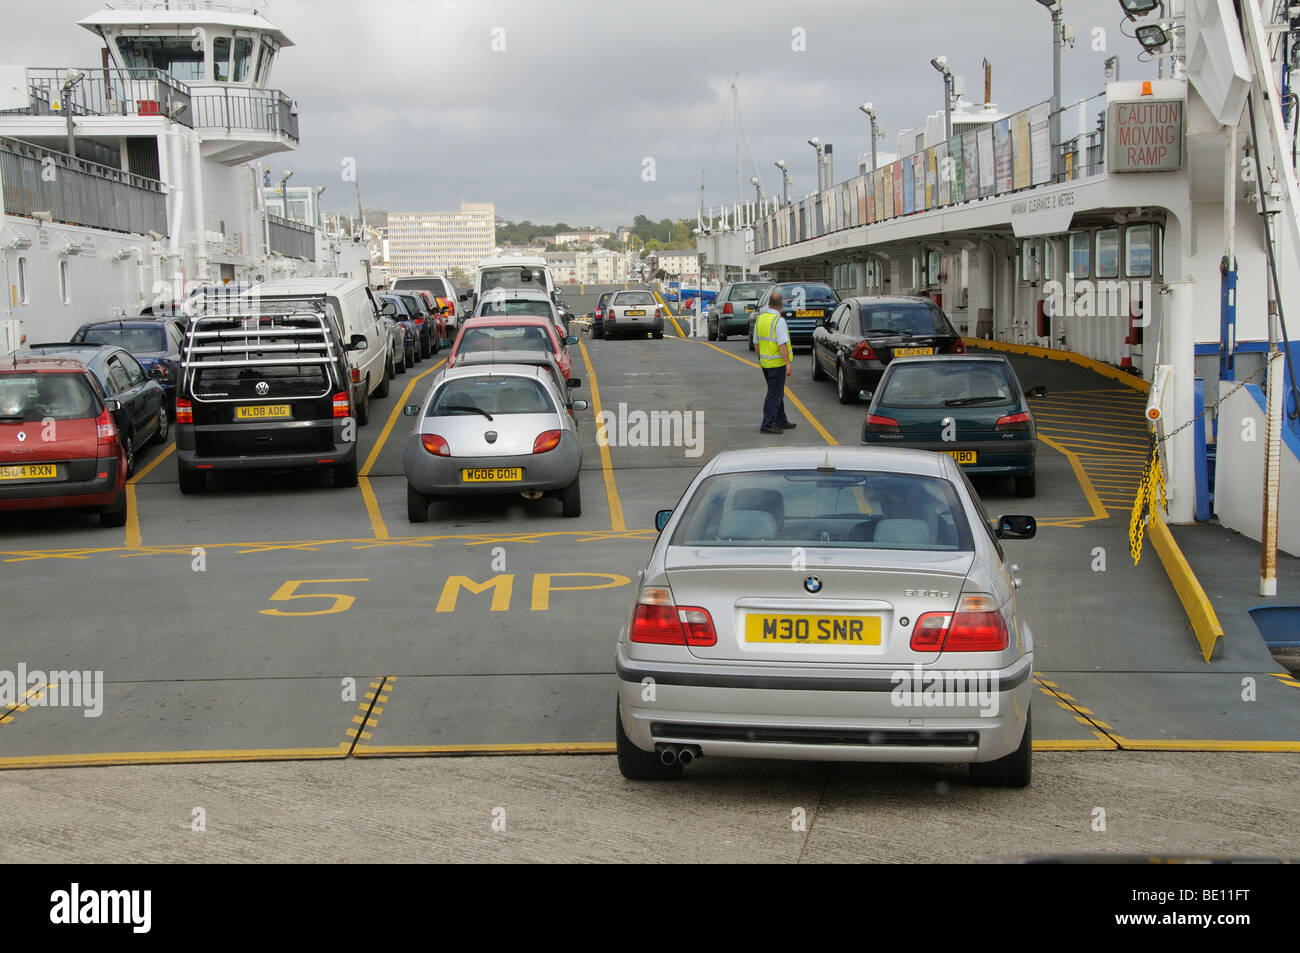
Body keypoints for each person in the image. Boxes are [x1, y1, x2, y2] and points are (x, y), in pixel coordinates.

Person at [754, 291, 796, 434]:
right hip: (777, 364)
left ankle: (781, 420)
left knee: (777, 392)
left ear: (769, 303)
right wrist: (788, 363)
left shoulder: (761, 319)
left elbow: (756, 342)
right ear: (781, 305)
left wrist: (760, 358)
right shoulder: (779, 321)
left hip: (765, 363)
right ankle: (767, 423)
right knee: (774, 393)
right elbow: (782, 344)